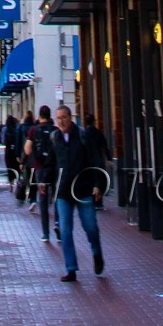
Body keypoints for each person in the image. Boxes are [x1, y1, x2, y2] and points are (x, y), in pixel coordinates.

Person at [51, 105, 110, 281]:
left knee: (90, 227)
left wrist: (98, 184)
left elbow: (95, 160)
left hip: (83, 189)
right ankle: (71, 268)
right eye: (58, 118)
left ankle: (97, 253)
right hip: (63, 192)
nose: (61, 121)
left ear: (71, 117)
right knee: (66, 231)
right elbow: (51, 163)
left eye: (64, 117)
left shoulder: (83, 136)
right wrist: (43, 181)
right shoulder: (55, 138)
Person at [24, 107, 56, 244]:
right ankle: (58, 223)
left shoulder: (33, 130)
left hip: (40, 169)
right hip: (54, 167)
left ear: (40, 115)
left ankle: (45, 233)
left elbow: (27, 149)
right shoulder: (55, 129)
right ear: (49, 116)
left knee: (42, 200)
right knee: (58, 196)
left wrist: (33, 158)